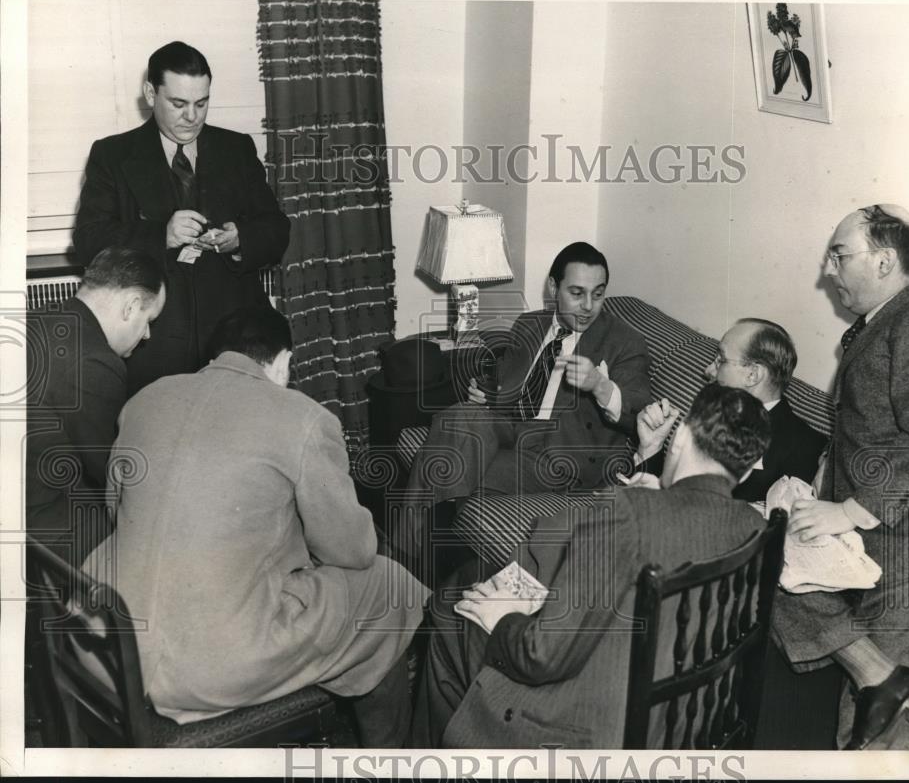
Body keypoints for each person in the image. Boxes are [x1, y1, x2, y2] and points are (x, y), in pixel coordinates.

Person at [84, 306, 428, 746]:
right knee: (388, 584)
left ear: (214, 356)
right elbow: (352, 552)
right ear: (283, 361)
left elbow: (120, 512)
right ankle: (388, 758)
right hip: (208, 667)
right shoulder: (306, 418)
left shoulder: (144, 399)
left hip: (106, 640)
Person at [409, 383, 772, 748]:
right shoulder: (756, 527)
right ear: (744, 470)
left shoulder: (624, 511)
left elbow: (541, 658)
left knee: (451, 609)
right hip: (682, 726)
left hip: (588, 730)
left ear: (679, 441)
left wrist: (504, 617)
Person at [769, 204, 909, 750]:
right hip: (878, 551)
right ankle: (877, 673)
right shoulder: (880, 326)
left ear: (884, 262)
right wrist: (821, 488)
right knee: (768, 562)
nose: (827, 271)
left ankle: (881, 678)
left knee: (874, 752)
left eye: (839, 255)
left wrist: (846, 511)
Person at [400, 242, 651, 562]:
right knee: (462, 416)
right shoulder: (530, 325)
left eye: (598, 294)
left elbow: (640, 409)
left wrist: (601, 386)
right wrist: (487, 394)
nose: (588, 305)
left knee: (444, 464)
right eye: (577, 292)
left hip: (560, 456)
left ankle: (407, 561)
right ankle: (422, 562)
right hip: (512, 430)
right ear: (552, 287)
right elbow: (506, 382)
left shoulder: (624, 341)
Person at [72, 40, 290, 395]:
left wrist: (241, 238)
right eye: (178, 104)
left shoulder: (237, 148)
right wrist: (162, 235)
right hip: (152, 343)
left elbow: (277, 229)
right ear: (149, 93)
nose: (192, 117)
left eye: (201, 103)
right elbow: (88, 242)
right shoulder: (111, 155)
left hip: (233, 340)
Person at [25, 245, 166, 566]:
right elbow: (114, 476)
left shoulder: (39, 320)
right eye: (149, 320)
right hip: (43, 526)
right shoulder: (95, 361)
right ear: (131, 306)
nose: (146, 335)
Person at [631, 318, 827, 502]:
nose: (707, 371)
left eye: (721, 360)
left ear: (753, 375)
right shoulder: (709, 414)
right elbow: (661, 500)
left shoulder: (806, 448)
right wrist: (650, 447)